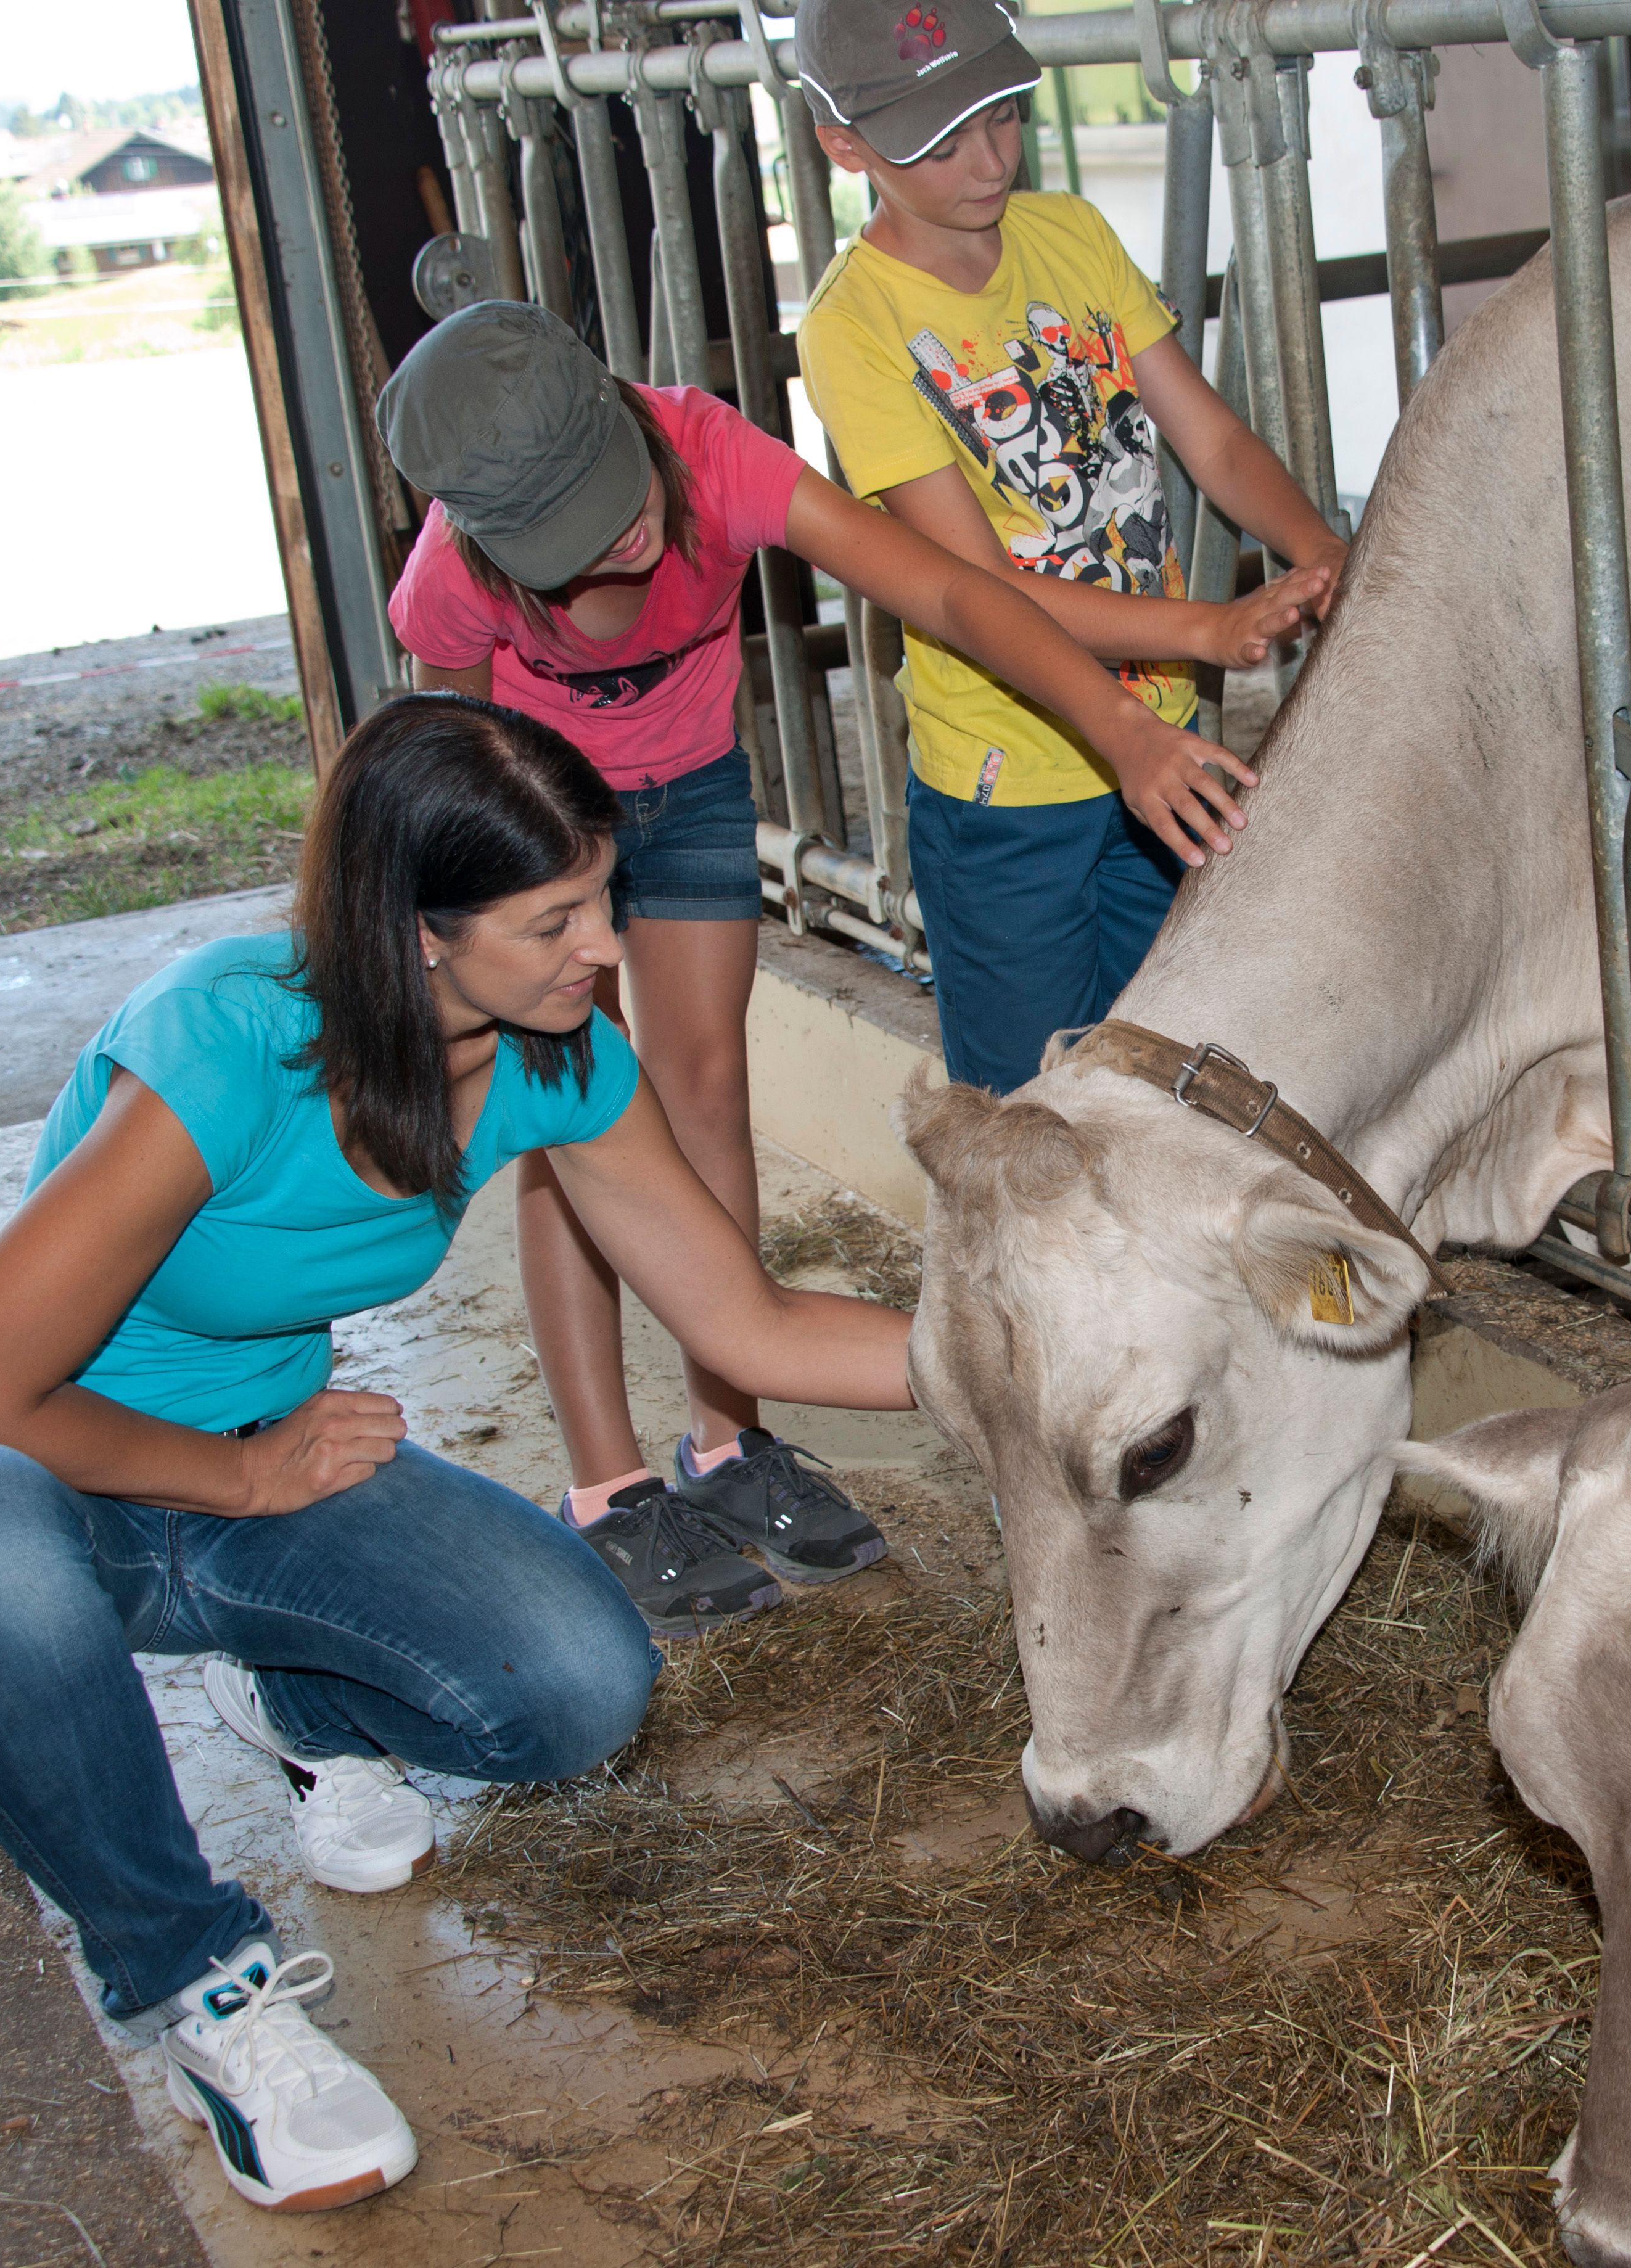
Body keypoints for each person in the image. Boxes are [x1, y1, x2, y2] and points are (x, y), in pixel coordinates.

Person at [0, 694, 913, 2214]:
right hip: (75, 1492)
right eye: (551, 920)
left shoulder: (557, 1060)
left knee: (580, 1687)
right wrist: (239, 1477)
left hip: (275, 1485)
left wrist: (1010, 1353)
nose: (600, 947)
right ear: (418, 932)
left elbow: (749, 1319)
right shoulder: (228, 1044)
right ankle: (200, 1990)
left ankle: (296, 1696)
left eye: (601, 898)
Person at [377, 300, 1267, 1624]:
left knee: (703, 1084)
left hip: (689, 790)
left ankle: (726, 1440)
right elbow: (451, 757)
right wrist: (502, 925)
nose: (610, 539)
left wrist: (1123, 724)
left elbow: (953, 589)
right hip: (545, 831)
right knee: (566, 1120)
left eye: (607, 497)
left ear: (618, 409)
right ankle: (606, 1486)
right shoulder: (455, 577)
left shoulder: (710, 457)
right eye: (558, 536)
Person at [792, 0, 1351, 1096]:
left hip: (1169, 741)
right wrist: (1208, 626)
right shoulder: (852, 328)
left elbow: (1213, 437)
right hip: (1009, 785)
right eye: (941, 143)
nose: (987, 160)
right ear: (843, 147)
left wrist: (1322, 551)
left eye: (1001, 115)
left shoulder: (1072, 237)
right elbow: (981, 588)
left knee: (1185, 1074)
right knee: (1033, 1111)